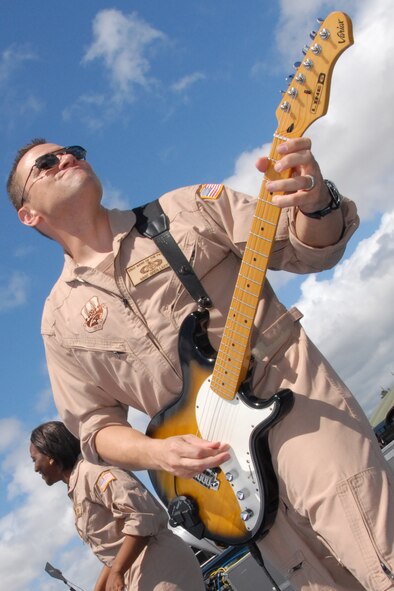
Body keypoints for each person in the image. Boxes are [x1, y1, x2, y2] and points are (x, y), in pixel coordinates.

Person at [7, 136, 394, 591]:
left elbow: (306, 249)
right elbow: (95, 428)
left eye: (72, 151)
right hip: (225, 481)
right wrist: (160, 454)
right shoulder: (59, 322)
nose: (67, 158)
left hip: (294, 404)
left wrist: (315, 203)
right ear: (29, 214)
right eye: (47, 163)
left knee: (378, 553)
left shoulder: (186, 209)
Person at [30, 420, 206, 591]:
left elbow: (142, 515)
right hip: (141, 574)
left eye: (34, 459)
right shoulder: (78, 486)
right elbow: (115, 550)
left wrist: (117, 571)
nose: (35, 468)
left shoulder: (93, 472)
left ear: (50, 456)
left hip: (161, 567)